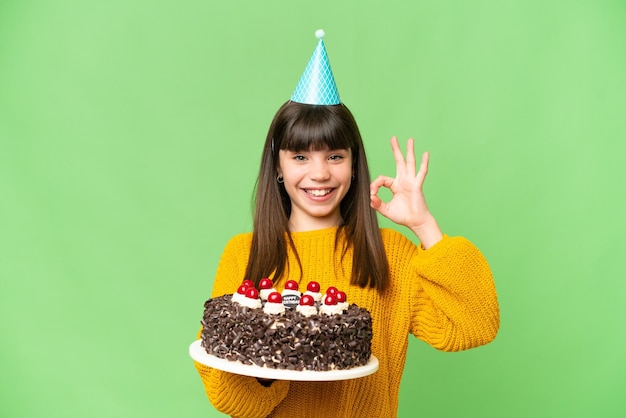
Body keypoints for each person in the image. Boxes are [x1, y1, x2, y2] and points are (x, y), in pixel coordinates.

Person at [194, 31, 499, 418]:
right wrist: (283, 346)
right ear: (278, 166)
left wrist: (424, 226)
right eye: (301, 157)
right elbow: (229, 396)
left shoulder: (389, 255)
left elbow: (475, 323)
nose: (319, 173)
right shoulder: (244, 254)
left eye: (335, 156)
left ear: (355, 165)